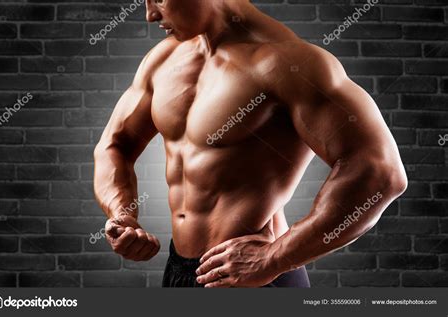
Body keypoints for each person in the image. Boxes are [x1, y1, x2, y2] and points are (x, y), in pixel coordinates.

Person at [93, 0, 407, 288]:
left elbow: (379, 172)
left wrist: (275, 258)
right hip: (178, 270)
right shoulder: (163, 59)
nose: (150, 15)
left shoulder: (290, 62)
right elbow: (114, 144)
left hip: (256, 278)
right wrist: (123, 214)